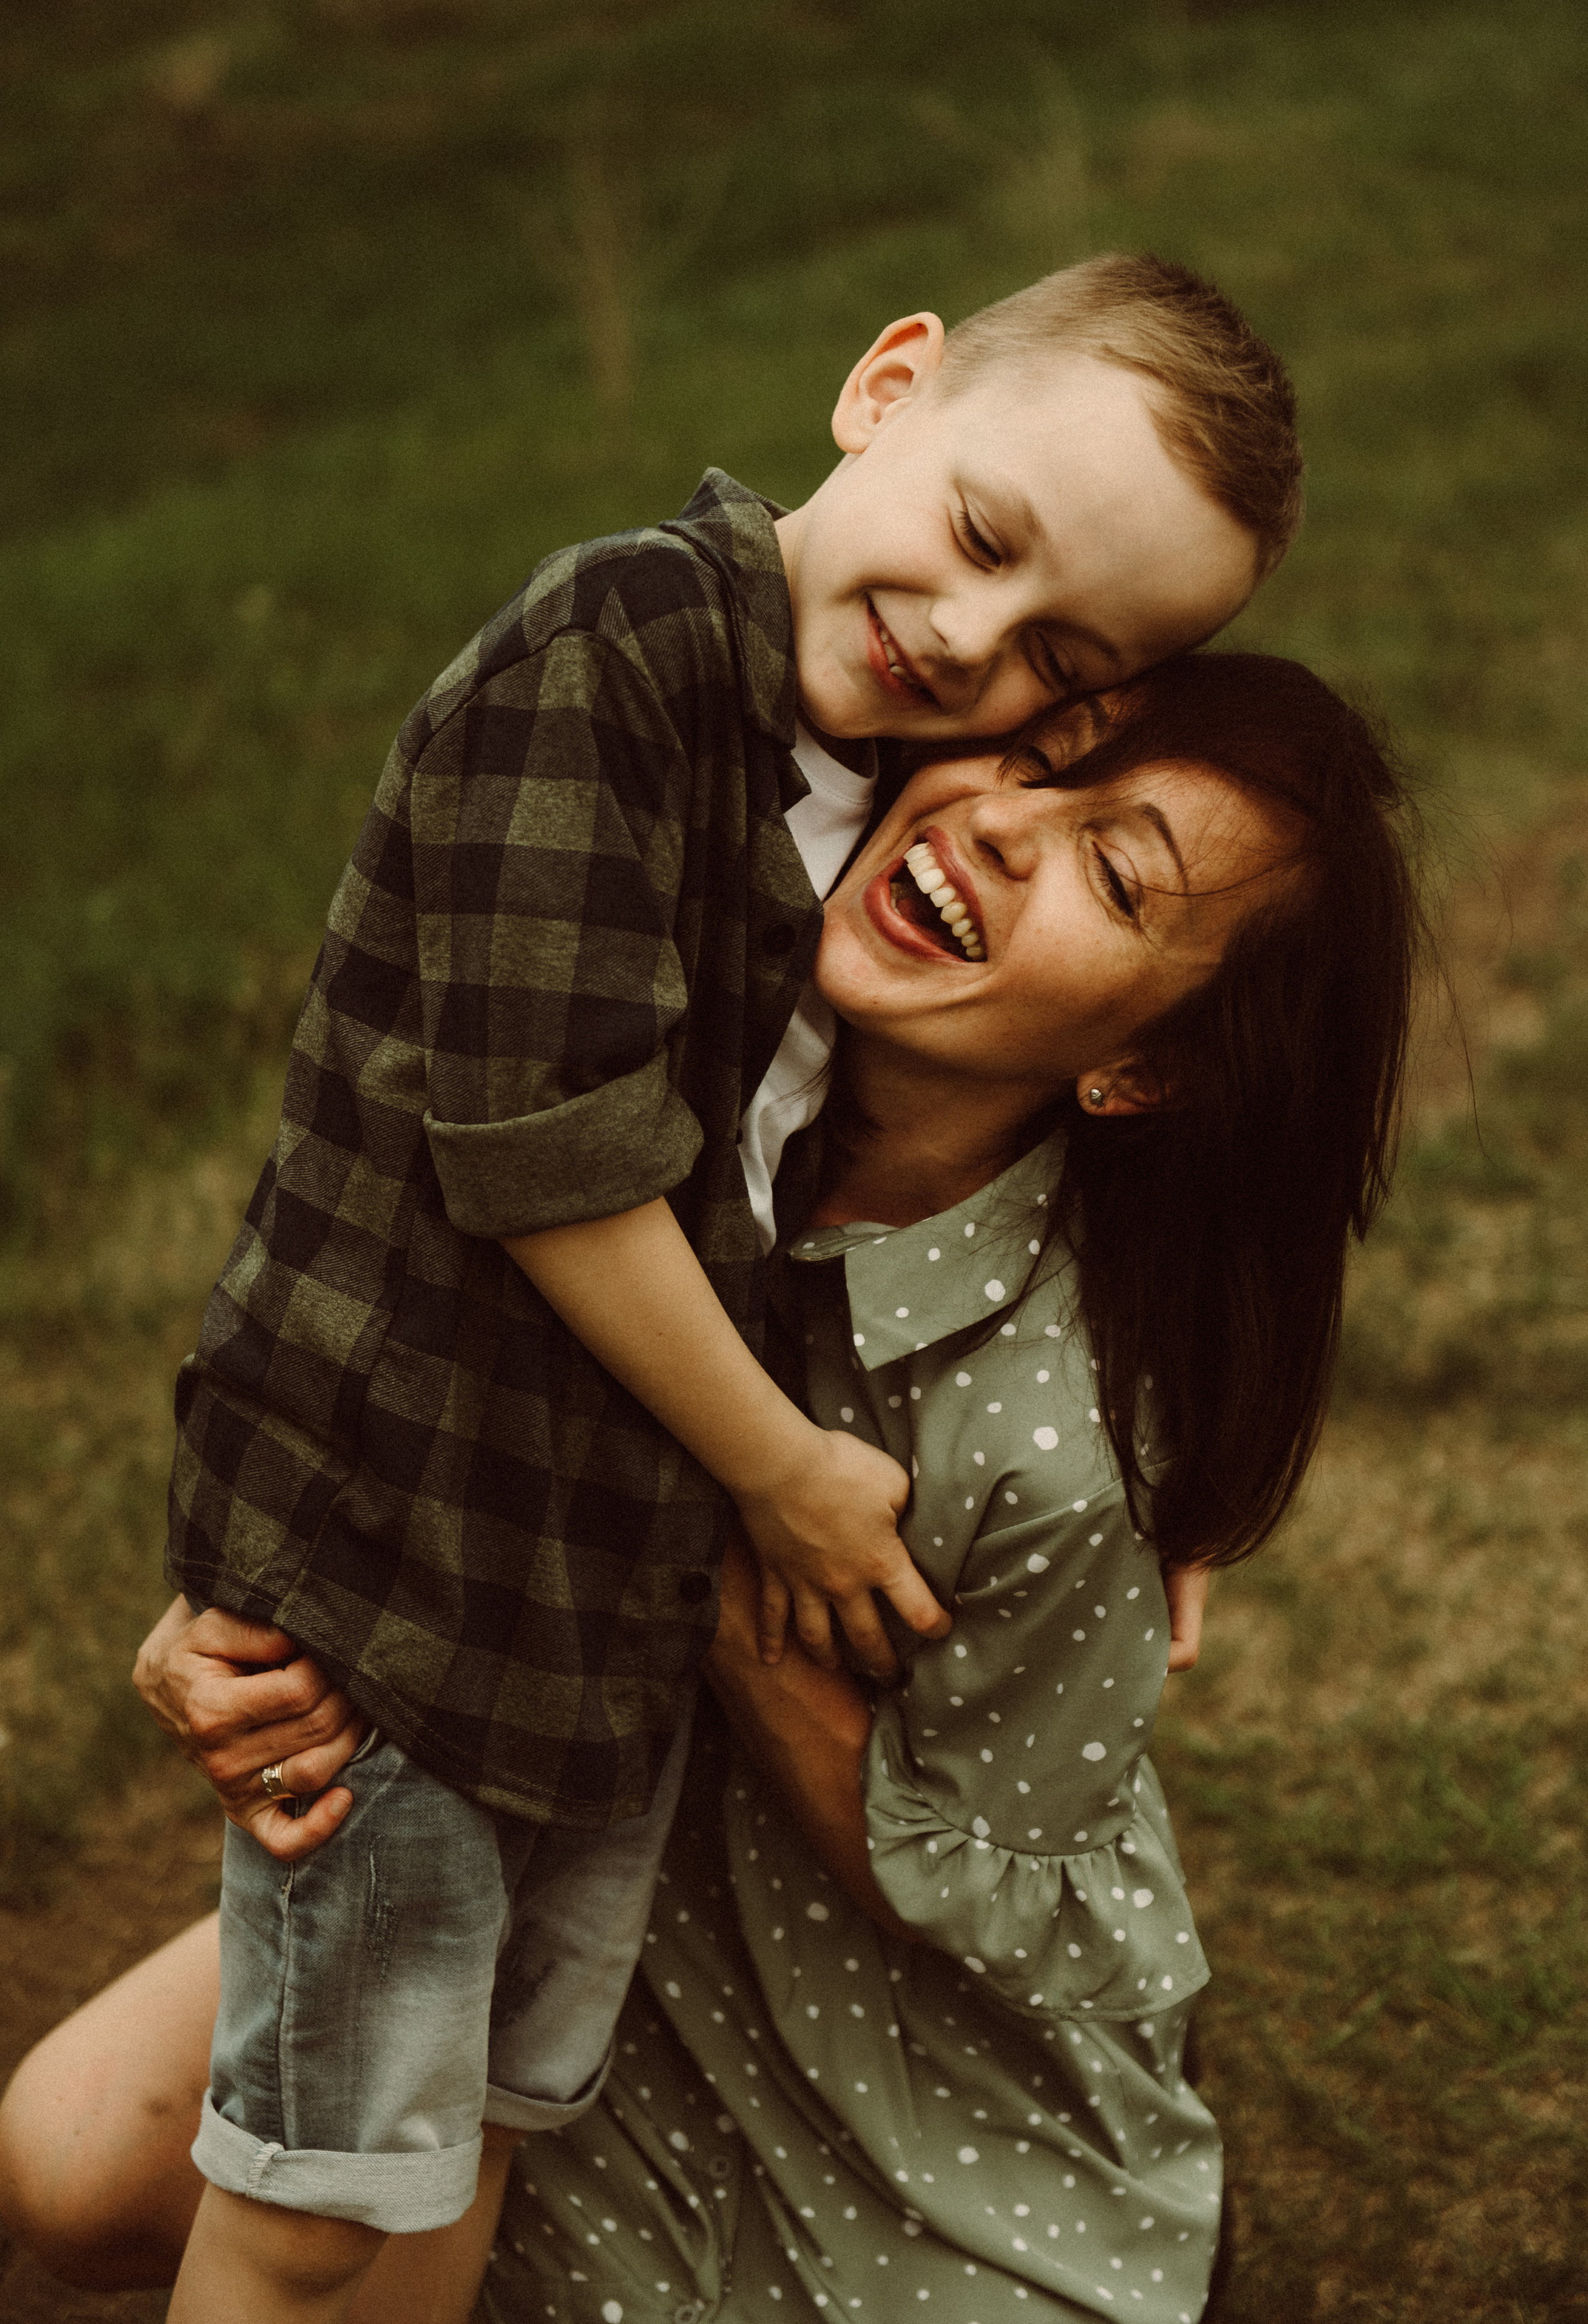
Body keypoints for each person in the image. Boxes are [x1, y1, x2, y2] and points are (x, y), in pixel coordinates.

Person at [132, 254, 1296, 2322]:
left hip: (568, 1597)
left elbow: (1177, 1038)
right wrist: (776, 1469)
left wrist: (1196, 1454)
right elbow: (540, 1150)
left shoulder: (840, 774)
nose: (969, 646)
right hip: (420, 1561)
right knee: (318, 2183)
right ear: (886, 384)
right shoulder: (624, 650)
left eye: (1059, 659)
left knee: (483, 2130)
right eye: (979, 537)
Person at [0, 650, 1421, 2324]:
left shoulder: (1059, 1436)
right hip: (547, 1851)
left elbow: (993, 1893)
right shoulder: (666, 1050)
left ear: (1141, 1070)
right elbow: (374, 1310)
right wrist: (222, 1607)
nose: (1008, 829)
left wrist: (731, 1590)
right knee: (72, 2155)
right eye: (1032, 761)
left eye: (1115, 874)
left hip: (888, 2065)